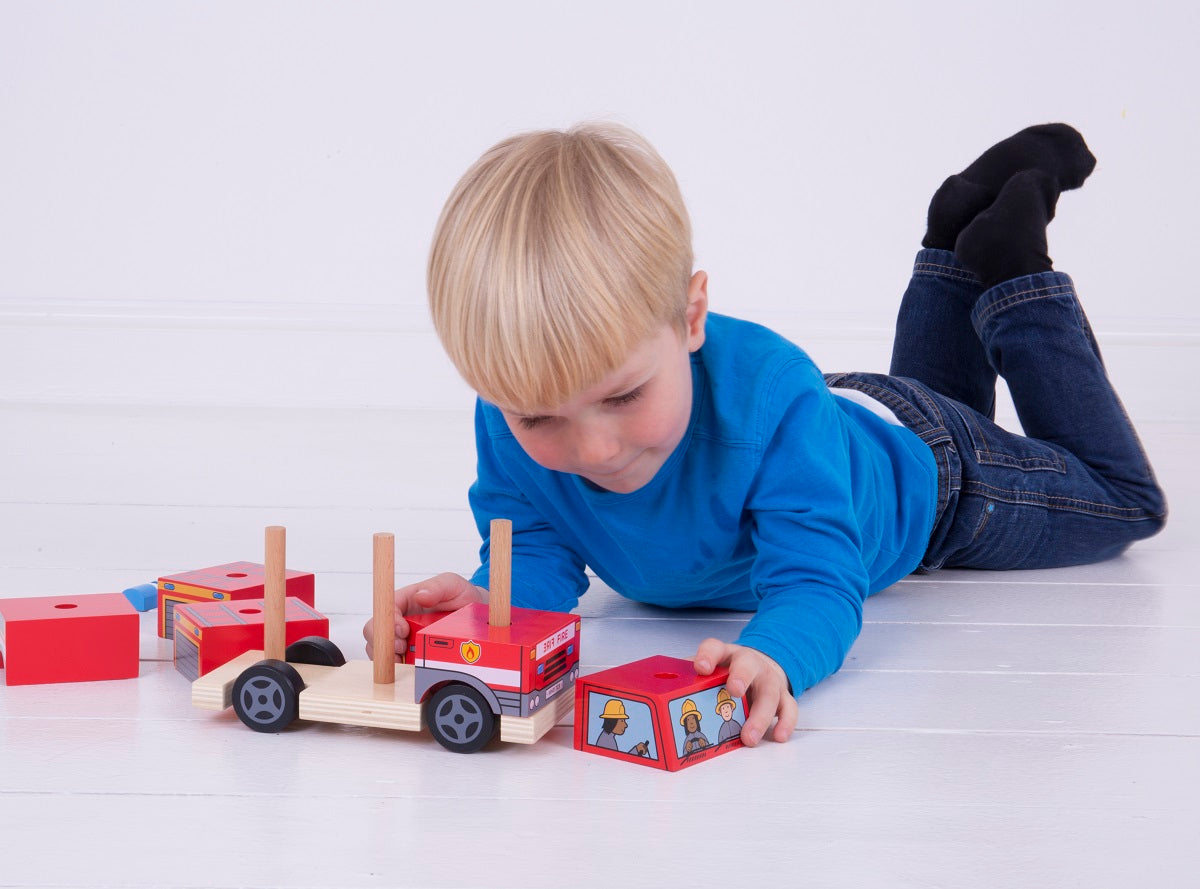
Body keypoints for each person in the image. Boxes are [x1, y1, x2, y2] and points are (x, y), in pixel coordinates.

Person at [365, 121, 1166, 749]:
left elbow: (818, 580)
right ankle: (955, 235)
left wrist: (778, 652)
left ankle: (1016, 274)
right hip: (843, 428)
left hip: (941, 483)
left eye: (623, 396)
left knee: (1124, 500)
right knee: (933, 394)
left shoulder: (770, 403)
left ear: (690, 316)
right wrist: (487, 608)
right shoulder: (508, 417)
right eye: (538, 416)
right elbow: (539, 552)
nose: (596, 448)